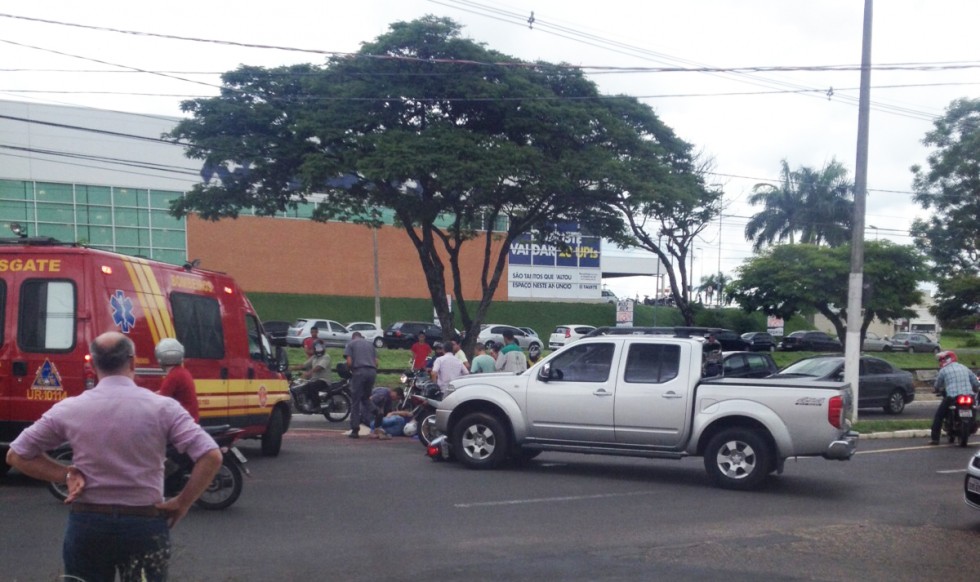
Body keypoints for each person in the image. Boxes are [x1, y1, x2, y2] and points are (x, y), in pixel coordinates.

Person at [6, 331, 221, 582]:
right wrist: (183, 502)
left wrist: (65, 474)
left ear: (92, 364)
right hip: (144, 523)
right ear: (132, 362)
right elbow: (211, 455)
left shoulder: (70, 408)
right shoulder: (163, 408)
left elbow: (16, 454)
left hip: (88, 523)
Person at [929, 350, 980, 445]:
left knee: (939, 416)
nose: (940, 362)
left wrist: (936, 389)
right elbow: (975, 382)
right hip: (969, 396)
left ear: (947, 359)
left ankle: (935, 439)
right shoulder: (964, 367)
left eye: (941, 360)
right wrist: (975, 389)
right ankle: (972, 425)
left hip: (953, 397)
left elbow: (937, 384)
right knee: (974, 409)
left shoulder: (943, 370)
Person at [155, 338, 199, 422]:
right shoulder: (182, 372)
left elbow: (160, 402)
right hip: (189, 421)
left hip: (182, 424)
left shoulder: (173, 377)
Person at [344, 331, 379, 439]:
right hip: (372, 372)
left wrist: (349, 370)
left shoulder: (350, 344)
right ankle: (377, 411)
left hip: (359, 372)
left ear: (353, 337)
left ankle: (355, 430)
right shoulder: (370, 345)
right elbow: (376, 362)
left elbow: (349, 362)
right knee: (365, 397)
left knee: (355, 400)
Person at [291, 341, 332, 413]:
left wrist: (309, 373)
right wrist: (291, 368)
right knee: (304, 386)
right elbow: (304, 365)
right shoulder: (314, 357)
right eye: (316, 348)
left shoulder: (326, 357)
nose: (318, 350)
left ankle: (317, 406)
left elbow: (319, 367)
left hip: (323, 380)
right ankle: (307, 403)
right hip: (314, 379)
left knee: (311, 386)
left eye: (320, 348)